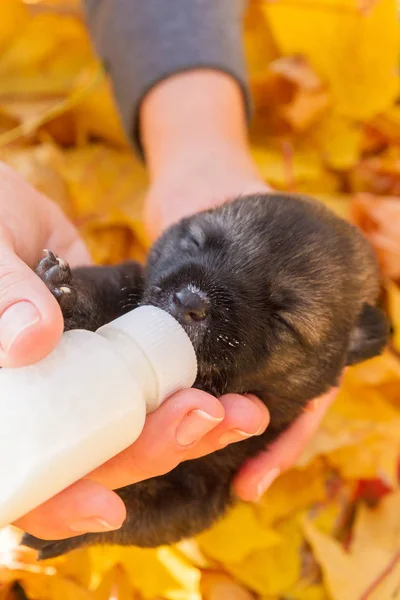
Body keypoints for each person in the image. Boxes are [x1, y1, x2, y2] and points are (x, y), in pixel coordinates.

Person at [0, 0, 338, 541]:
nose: (194, 299)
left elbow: (187, 501)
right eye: (200, 239)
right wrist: (74, 307)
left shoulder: (238, 432)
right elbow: (98, 299)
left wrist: (199, 148)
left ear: (338, 358)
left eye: (282, 318)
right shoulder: (129, 290)